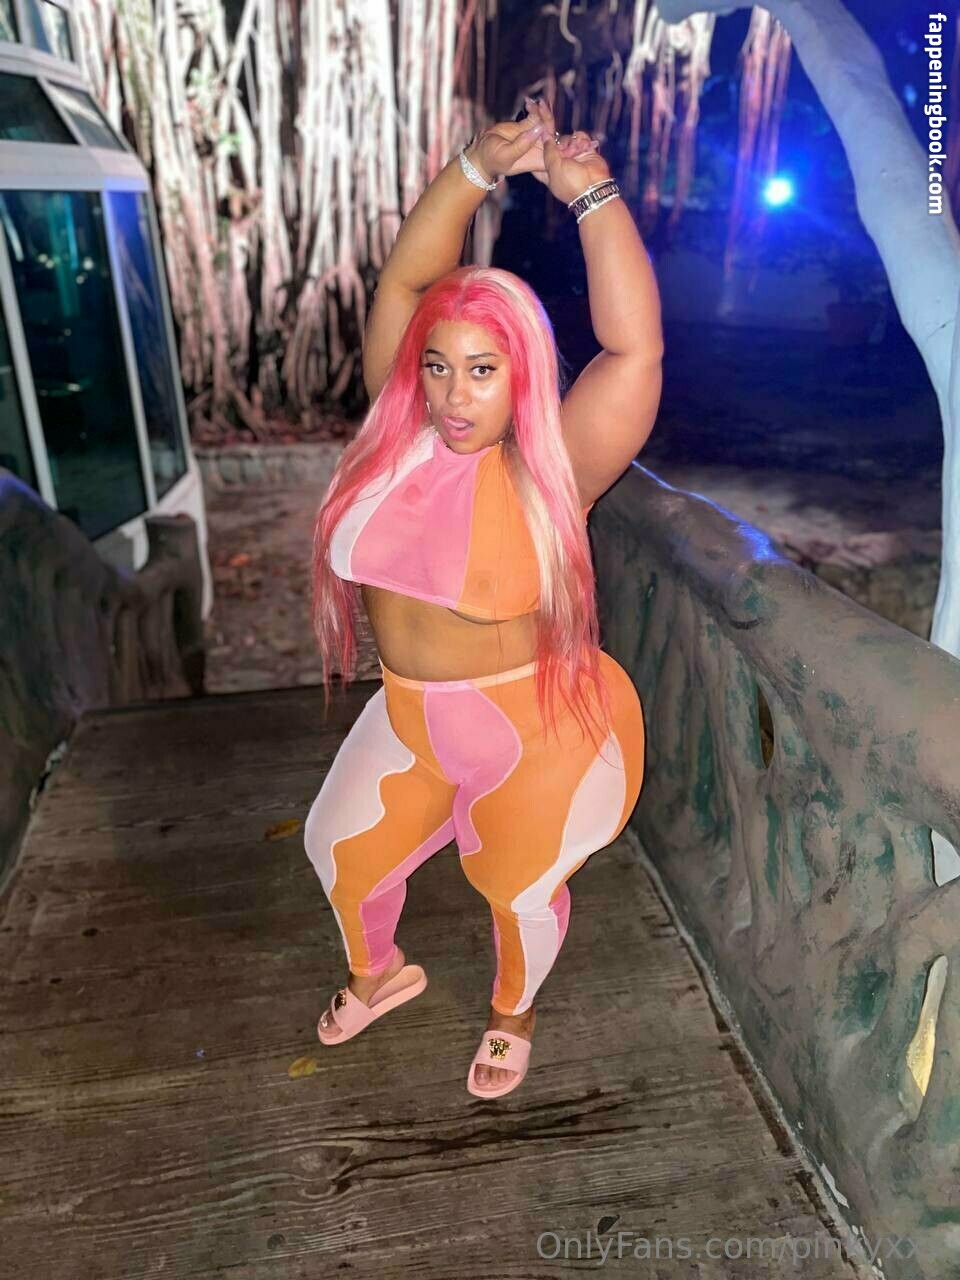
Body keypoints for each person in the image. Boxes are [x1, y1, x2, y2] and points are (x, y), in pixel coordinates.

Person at [304, 95, 663, 1099]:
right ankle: (380, 973)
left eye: (482, 370)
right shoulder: (398, 439)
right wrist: (474, 167)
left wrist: (592, 195)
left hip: (530, 729)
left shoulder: (553, 471)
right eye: (438, 367)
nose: (454, 394)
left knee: (517, 885)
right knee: (337, 851)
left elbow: (634, 352)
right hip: (411, 718)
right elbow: (405, 281)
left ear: (522, 376)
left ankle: (514, 1011)